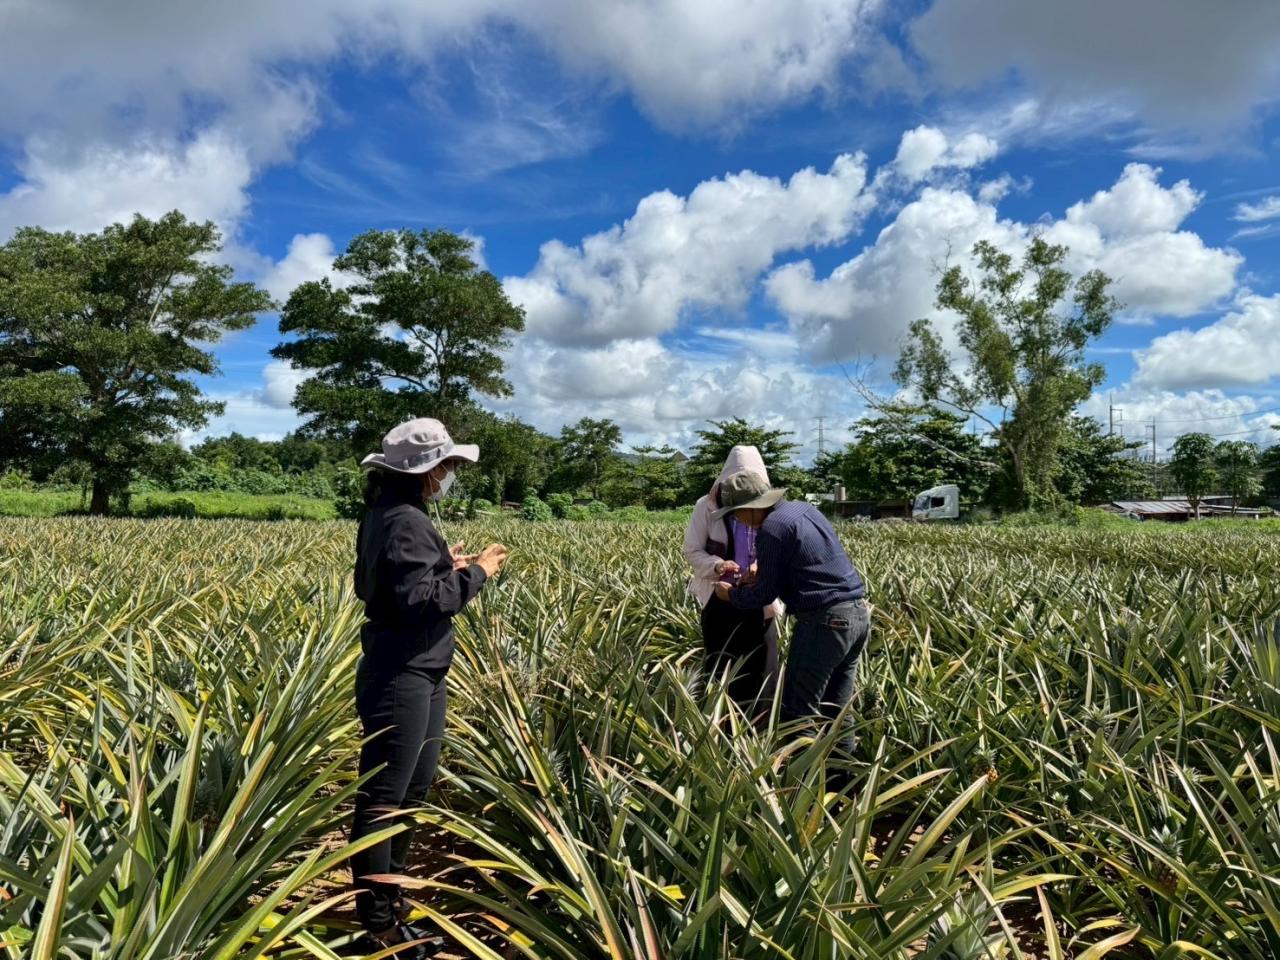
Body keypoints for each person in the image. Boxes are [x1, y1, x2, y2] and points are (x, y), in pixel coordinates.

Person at [350, 417, 508, 956]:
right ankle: (379, 924)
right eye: (447, 466)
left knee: (410, 791)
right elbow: (424, 601)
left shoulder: (388, 513)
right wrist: (478, 572)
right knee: (386, 800)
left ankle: (395, 905)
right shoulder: (406, 521)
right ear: (427, 470)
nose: (450, 475)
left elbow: (387, 586)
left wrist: (447, 565)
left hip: (416, 666)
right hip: (403, 672)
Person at [712, 470, 868, 765]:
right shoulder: (802, 509)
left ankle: (799, 793)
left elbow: (762, 596)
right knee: (837, 708)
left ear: (750, 508)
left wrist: (729, 595)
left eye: (736, 513)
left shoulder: (772, 529)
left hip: (824, 621)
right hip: (857, 614)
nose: (737, 520)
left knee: (799, 712)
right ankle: (846, 783)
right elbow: (807, 560)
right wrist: (764, 569)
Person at [682, 446, 780, 713]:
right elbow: (691, 549)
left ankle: (761, 725)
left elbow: (779, 547)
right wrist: (718, 565)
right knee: (720, 662)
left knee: (763, 665)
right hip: (720, 597)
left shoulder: (769, 504)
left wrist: (762, 566)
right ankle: (721, 723)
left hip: (760, 597)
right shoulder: (706, 505)